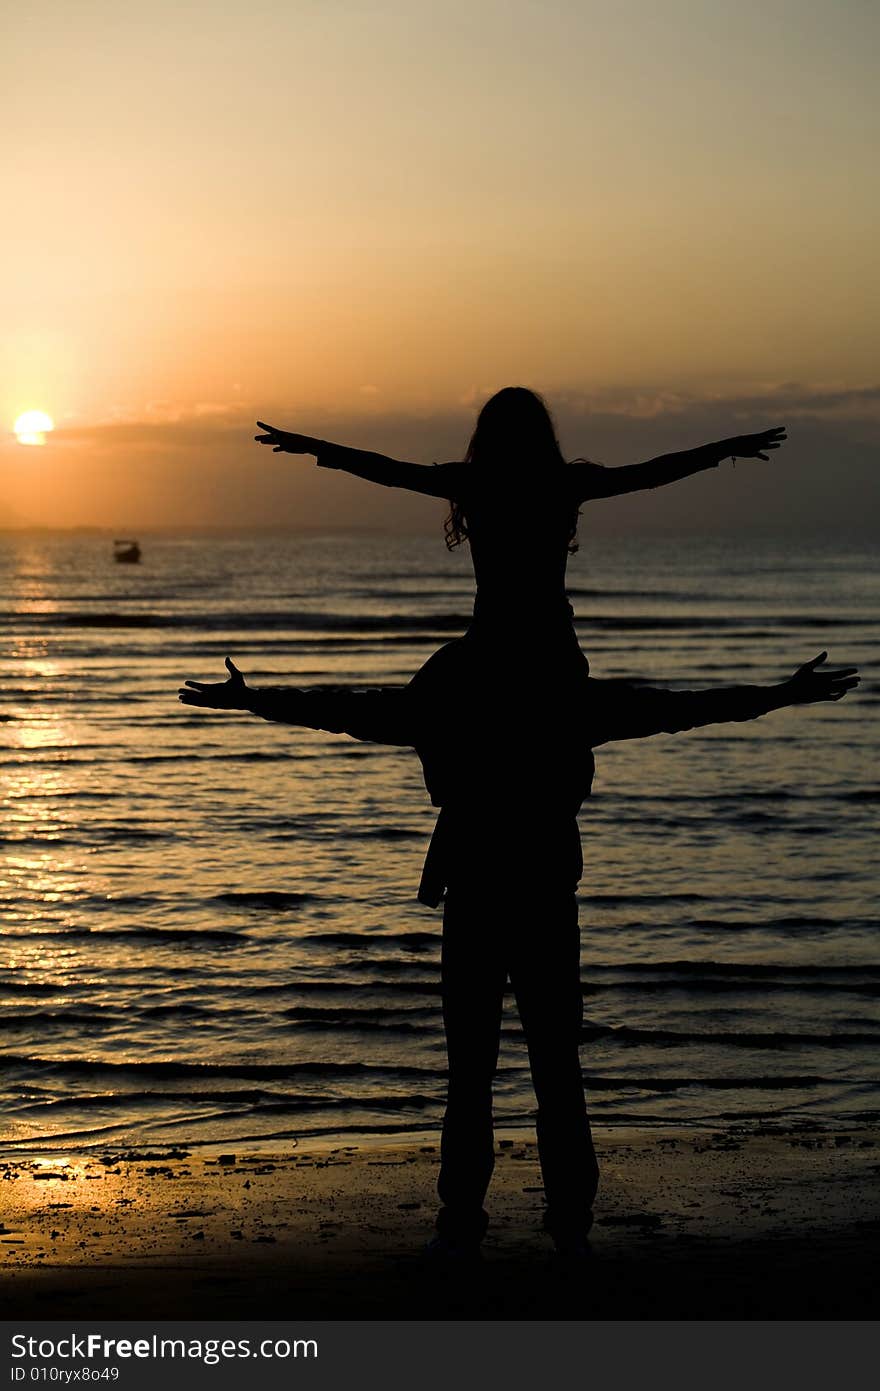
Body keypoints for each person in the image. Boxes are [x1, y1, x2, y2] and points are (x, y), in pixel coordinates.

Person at [179, 650, 858, 1263]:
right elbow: (673, 708)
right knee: (551, 1067)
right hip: (538, 891)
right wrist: (777, 692)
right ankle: (562, 1226)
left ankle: (473, 1225)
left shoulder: (464, 685)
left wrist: (256, 699)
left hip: (483, 891)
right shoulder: (556, 690)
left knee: (480, 1069)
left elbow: (352, 712)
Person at [254, 389, 788, 699]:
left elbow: (391, 472)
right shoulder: (562, 483)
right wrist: (726, 449)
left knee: (421, 719)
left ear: (486, 436)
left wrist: (312, 447)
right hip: (549, 647)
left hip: (495, 647)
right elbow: (650, 474)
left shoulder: (476, 483)